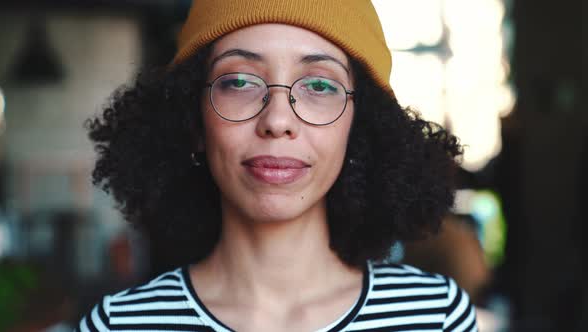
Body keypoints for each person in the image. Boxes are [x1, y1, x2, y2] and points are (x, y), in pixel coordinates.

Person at [78, 0, 477, 331]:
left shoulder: (436, 316)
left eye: (320, 85)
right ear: (193, 120)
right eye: (239, 82)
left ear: (359, 127)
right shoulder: (118, 325)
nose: (278, 121)